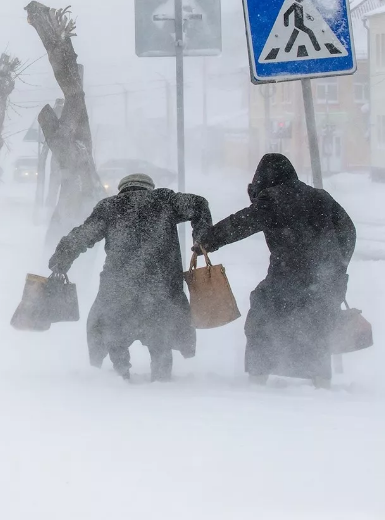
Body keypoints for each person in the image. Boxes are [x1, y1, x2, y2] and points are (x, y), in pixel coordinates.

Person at [194, 153, 356, 388]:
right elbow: (348, 231)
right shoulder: (320, 197)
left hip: (288, 276)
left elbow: (241, 223)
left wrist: (207, 240)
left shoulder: (274, 199)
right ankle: (321, 382)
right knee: (317, 325)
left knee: (263, 317)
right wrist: (336, 266)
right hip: (324, 280)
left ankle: (258, 377)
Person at [48, 173, 212, 382]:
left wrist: (61, 260)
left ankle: (121, 377)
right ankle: (162, 383)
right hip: (160, 287)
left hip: (119, 288)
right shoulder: (165, 201)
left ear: (122, 189)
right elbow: (199, 203)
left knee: (114, 334)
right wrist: (202, 238)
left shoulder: (110, 206)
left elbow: (83, 235)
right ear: (149, 188)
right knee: (160, 339)